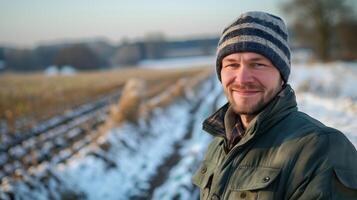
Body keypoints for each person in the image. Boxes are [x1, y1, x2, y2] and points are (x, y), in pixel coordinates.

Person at [192, 11, 357, 200]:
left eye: (257, 64)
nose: (242, 79)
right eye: (232, 64)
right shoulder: (218, 146)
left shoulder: (320, 148)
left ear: (281, 75)